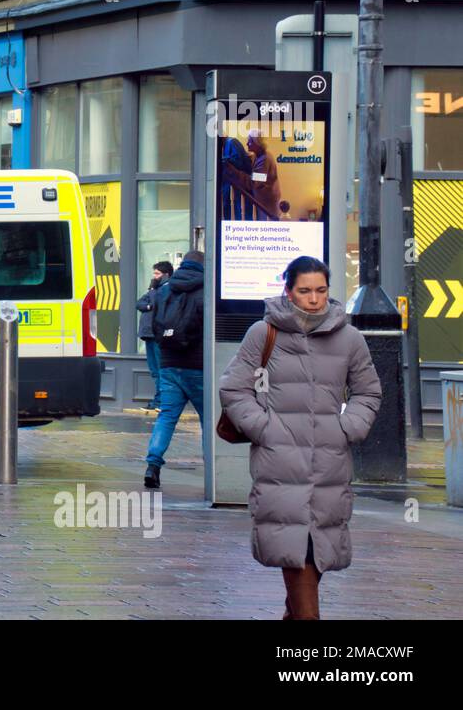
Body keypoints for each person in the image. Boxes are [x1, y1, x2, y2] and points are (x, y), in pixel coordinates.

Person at [218, 256, 380, 620]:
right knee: (297, 553)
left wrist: (347, 427)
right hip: (279, 463)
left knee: (317, 549)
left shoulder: (349, 338)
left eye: (321, 291)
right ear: (287, 291)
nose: (313, 299)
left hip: (330, 464)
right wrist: (264, 428)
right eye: (304, 291)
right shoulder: (263, 333)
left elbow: (368, 392)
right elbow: (233, 388)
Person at [143, 250, 205, 489]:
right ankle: (211, 470)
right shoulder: (206, 289)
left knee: (167, 416)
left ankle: (153, 465)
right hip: (198, 365)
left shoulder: (165, 289)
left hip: (169, 363)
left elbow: (154, 323)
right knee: (207, 419)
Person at [136, 261, 175, 412]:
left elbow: (156, 301)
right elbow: (140, 303)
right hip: (148, 334)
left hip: (158, 334)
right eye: (154, 273)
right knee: (154, 370)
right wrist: (148, 305)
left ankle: (161, 401)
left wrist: (152, 291)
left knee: (161, 370)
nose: (154, 276)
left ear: (166, 275)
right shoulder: (156, 289)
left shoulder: (166, 289)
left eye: (157, 274)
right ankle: (158, 400)